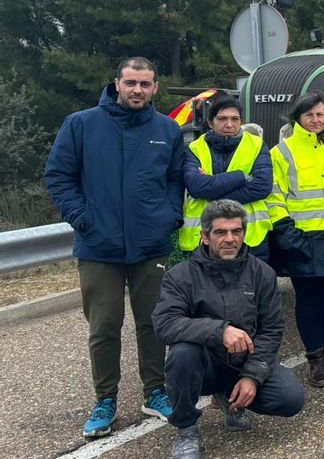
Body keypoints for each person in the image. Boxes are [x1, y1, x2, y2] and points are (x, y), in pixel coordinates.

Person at [45, 56, 182, 437]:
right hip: (98, 246)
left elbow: (175, 178)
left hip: (150, 245)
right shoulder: (82, 124)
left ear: (155, 88)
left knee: (153, 322)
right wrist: (82, 218)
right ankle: (105, 399)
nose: (138, 89)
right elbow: (58, 176)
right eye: (131, 82)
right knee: (104, 326)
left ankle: (155, 392)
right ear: (117, 84)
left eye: (146, 83)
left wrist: (170, 215)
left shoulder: (167, 130)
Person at [153, 200, 304, 459]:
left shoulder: (262, 273)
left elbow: (271, 330)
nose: (230, 239)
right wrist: (219, 330)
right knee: (182, 354)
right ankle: (186, 429)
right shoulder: (180, 276)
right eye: (220, 232)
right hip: (204, 365)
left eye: (236, 231)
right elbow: (164, 323)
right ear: (205, 236)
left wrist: (253, 376)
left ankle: (229, 398)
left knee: (291, 399)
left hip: (243, 362)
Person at [267, 92, 324, 386]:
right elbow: (273, 197)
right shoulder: (282, 152)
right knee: (308, 303)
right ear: (298, 118)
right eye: (309, 115)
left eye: (320, 114)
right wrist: (288, 234)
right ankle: (316, 362)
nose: (315, 120)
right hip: (302, 238)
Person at [180, 96, 273, 260]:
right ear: (211, 122)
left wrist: (212, 186)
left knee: (250, 286)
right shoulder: (195, 148)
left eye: (234, 119)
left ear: (241, 121)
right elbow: (196, 187)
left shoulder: (257, 145)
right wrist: (241, 177)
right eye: (222, 119)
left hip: (249, 238)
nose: (229, 124)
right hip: (204, 239)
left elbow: (262, 187)